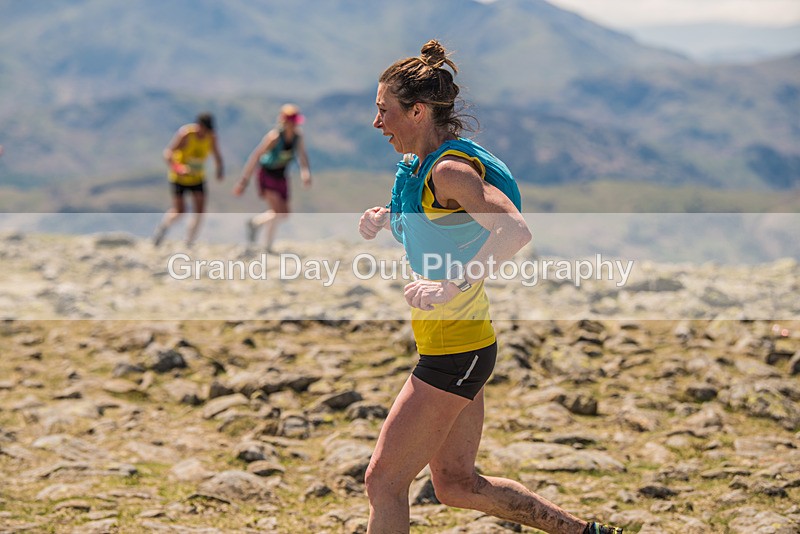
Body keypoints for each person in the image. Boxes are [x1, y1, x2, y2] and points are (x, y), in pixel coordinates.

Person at [357, 40, 623, 534]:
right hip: (462, 345)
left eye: (383, 110)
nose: (376, 122)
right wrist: (388, 217)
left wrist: (452, 284)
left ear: (417, 111)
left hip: (454, 351)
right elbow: (445, 228)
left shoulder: (449, 170)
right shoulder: (424, 168)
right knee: (457, 484)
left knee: (383, 482)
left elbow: (514, 230)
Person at [234, 103, 312, 252]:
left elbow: (302, 155)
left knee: (283, 213)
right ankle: (266, 244)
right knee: (277, 211)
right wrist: (243, 181)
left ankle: (257, 225)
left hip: (282, 176)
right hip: (268, 174)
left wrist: (305, 173)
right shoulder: (274, 137)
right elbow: (256, 156)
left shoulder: (298, 137)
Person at [153, 112, 224, 246]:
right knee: (180, 210)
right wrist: (178, 168)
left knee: (200, 211)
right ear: (199, 125)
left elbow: (217, 155)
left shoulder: (211, 137)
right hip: (179, 178)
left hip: (197, 178)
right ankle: (163, 228)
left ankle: (189, 241)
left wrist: (220, 170)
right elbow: (168, 153)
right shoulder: (186, 134)